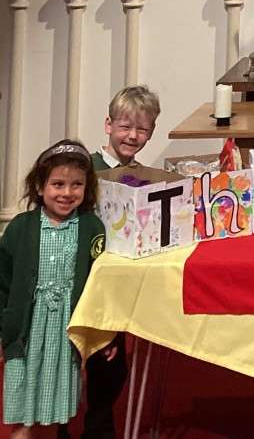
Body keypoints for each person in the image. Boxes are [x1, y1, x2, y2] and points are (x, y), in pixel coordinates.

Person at [0, 141, 111, 439]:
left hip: (65, 334)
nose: (67, 192)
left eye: (76, 184)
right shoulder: (20, 227)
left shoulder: (92, 227)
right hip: (27, 330)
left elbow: (101, 285)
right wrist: (3, 327)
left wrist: (103, 333)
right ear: (40, 186)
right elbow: (3, 280)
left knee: (54, 412)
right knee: (22, 409)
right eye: (58, 184)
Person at [77, 87, 161, 439]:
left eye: (142, 130)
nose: (133, 136)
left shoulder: (142, 174)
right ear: (109, 124)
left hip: (119, 283)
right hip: (82, 277)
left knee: (111, 365)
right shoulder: (85, 169)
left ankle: (98, 424)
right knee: (72, 361)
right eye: (126, 126)